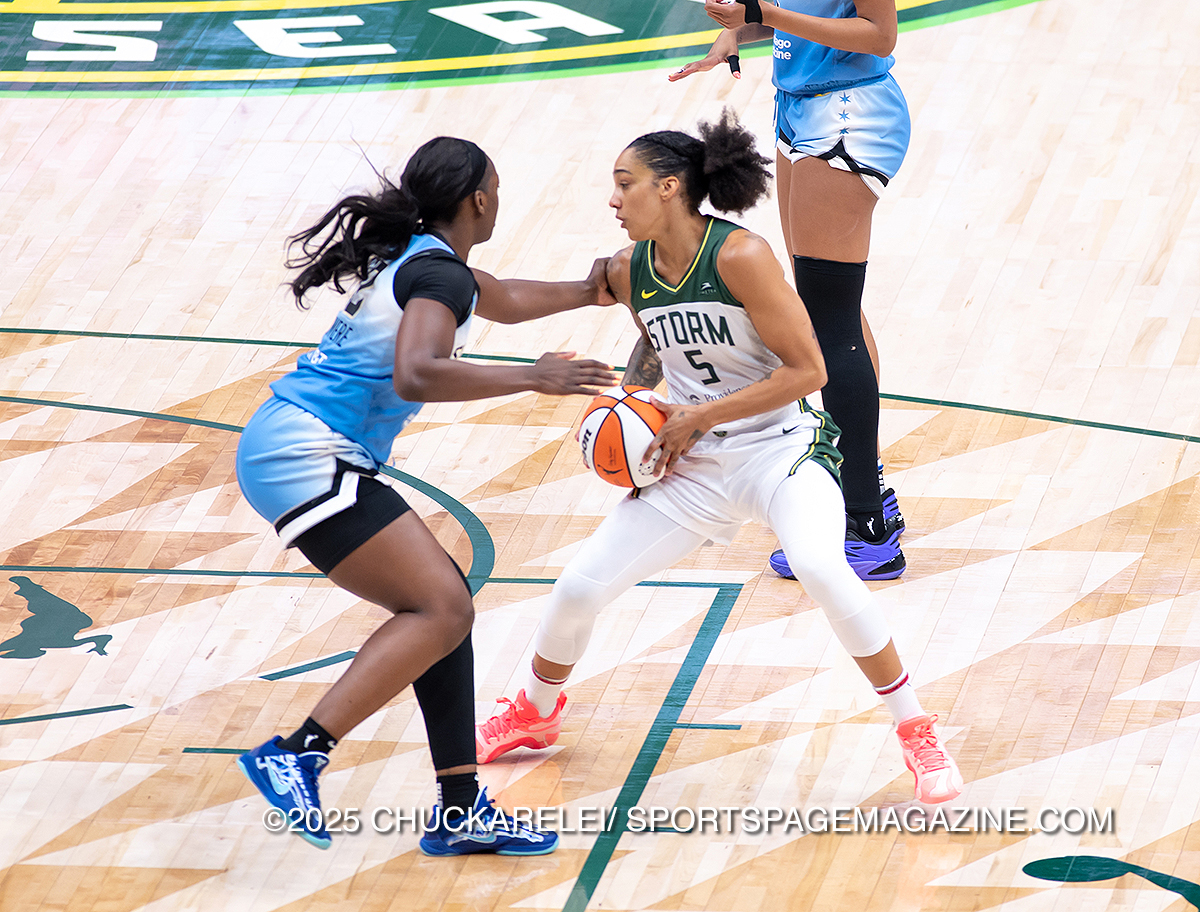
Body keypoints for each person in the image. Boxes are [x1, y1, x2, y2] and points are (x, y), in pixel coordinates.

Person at [476, 113, 962, 804]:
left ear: (669, 187)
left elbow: (810, 371)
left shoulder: (741, 256)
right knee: (579, 587)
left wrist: (701, 415)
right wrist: (637, 416)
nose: (613, 200)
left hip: (782, 449)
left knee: (823, 568)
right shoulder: (629, 269)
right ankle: (534, 708)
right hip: (696, 463)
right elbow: (659, 349)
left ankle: (916, 730)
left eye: (625, 184)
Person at [234, 136, 618, 853]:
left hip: (293, 445)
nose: (498, 200)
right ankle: (298, 754)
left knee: (445, 610)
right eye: (496, 189)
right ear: (478, 200)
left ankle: (460, 808)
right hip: (306, 450)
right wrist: (533, 377)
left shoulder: (429, 261)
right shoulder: (439, 274)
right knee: (442, 606)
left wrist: (591, 289)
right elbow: (416, 372)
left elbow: (502, 298)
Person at [669, 0, 910, 580]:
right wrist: (741, 29)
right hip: (798, 107)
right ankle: (864, 478)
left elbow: (879, 36)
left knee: (829, 322)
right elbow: (798, 12)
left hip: (848, 114)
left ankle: (867, 526)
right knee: (825, 308)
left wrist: (764, 14)